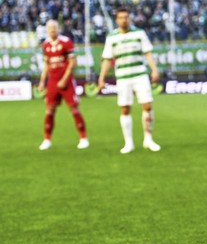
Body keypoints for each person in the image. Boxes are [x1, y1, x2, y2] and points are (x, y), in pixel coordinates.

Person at [96, 8, 162, 154]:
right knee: (125, 109)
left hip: (140, 75)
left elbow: (148, 53)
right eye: (121, 17)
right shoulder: (112, 37)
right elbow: (107, 59)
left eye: (126, 17)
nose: (124, 20)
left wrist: (154, 70)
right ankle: (129, 143)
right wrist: (101, 78)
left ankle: (148, 139)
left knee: (147, 106)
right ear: (117, 20)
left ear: (129, 18)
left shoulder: (139, 33)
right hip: (123, 77)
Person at [37, 19, 89, 151]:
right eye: (50, 28)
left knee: (74, 109)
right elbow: (46, 65)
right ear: (47, 30)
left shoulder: (66, 42)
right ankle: (47, 139)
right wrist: (42, 81)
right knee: (49, 110)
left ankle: (83, 138)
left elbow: (72, 62)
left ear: (58, 28)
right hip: (53, 81)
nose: (52, 30)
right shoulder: (46, 45)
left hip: (66, 81)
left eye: (54, 28)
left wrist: (64, 79)